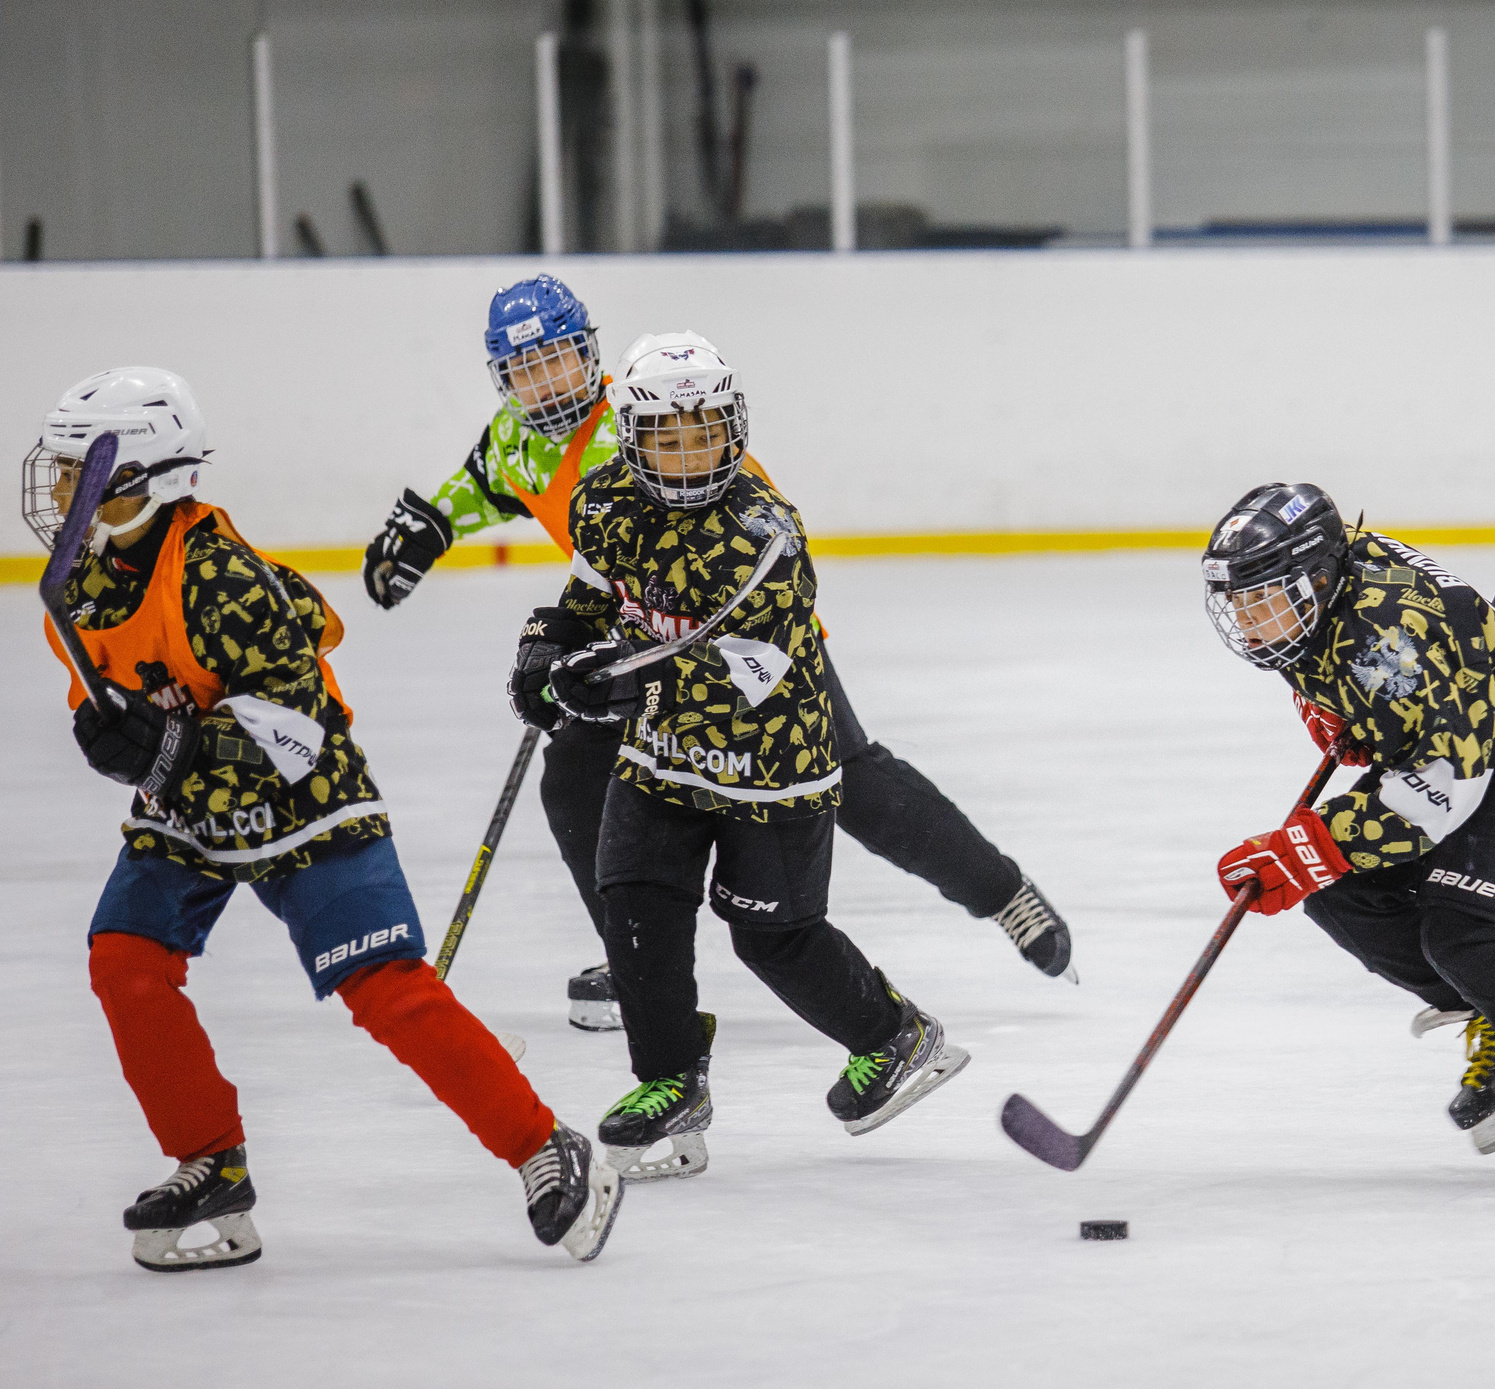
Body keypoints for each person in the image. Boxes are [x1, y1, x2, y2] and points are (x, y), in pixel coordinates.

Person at [26, 368, 620, 1270]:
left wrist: (170, 746)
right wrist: (125, 742)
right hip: (189, 808)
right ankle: (210, 1160)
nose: (61, 489)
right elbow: (121, 701)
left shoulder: (222, 579)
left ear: (140, 476)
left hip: (304, 801)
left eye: (80, 471)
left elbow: (298, 735)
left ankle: (545, 1145)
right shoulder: (78, 588)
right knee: (125, 960)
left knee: (388, 988)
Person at [362, 275, 1071, 1029]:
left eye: (559, 359)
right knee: (572, 778)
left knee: (854, 787)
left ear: (588, 354)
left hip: (751, 647)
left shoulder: (642, 422)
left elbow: (744, 537)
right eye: (526, 369)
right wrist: (429, 526)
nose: (548, 382)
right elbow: (488, 484)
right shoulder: (515, 440)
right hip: (644, 647)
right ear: (504, 380)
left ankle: (1002, 892)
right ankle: (633, 959)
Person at [511, 333, 968, 1183]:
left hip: (773, 759)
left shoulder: (763, 534)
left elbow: (747, 675)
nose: (691, 455)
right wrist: (547, 645)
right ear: (631, 438)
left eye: (707, 433)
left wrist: (613, 681)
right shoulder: (603, 499)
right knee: (634, 898)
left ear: (735, 427)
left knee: (773, 936)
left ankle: (895, 1036)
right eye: (668, 437)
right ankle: (670, 1078)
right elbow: (591, 591)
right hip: (663, 752)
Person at [1199, 482, 1495, 1190]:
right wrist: (1358, 716)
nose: (1246, 620)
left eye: (1262, 599)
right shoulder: (1328, 597)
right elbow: (1411, 693)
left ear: (1318, 580)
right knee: (1336, 890)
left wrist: (1312, 846)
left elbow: (1443, 785)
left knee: (1463, 932)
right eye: (1237, 602)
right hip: (1463, 735)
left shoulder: (1385, 640)